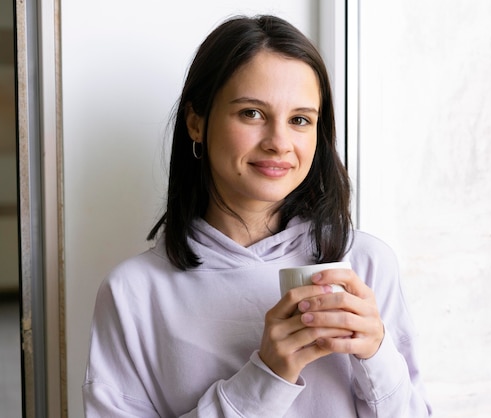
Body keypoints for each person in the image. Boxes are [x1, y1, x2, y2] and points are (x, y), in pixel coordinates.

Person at [83, 15, 431, 417]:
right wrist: (266, 377)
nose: (279, 143)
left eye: (300, 120)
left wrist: (376, 355)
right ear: (196, 122)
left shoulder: (368, 266)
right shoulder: (133, 294)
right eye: (252, 113)